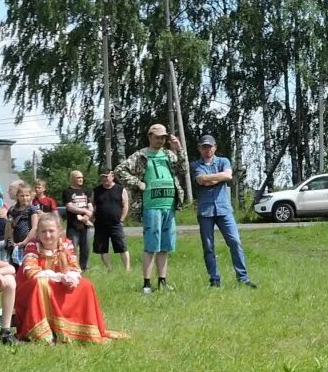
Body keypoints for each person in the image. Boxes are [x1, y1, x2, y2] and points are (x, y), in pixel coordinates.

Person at [17, 211, 120, 343]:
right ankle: (44, 334)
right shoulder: (33, 246)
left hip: (56, 284)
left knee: (85, 285)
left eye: (51, 231)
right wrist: (61, 277)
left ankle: (79, 331)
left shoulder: (66, 244)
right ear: (37, 233)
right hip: (30, 289)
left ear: (59, 231)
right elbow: (31, 271)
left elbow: (74, 266)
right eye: (43, 232)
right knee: (41, 283)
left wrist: (70, 278)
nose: (47, 235)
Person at [118, 124, 187, 294]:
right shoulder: (141, 155)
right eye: (157, 137)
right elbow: (120, 170)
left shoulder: (169, 155)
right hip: (151, 207)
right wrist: (137, 183)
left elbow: (184, 170)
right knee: (151, 246)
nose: (160, 140)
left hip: (169, 206)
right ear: (150, 137)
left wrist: (179, 149)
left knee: (165, 246)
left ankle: (162, 281)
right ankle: (147, 284)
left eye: (163, 137)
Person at [192, 135, 254, 288]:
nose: (207, 150)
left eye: (210, 146)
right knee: (208, 246)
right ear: (200, 148)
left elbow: (228, 175)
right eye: (204, 147)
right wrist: (217, 178)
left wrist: (211, 178)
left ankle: (243, 279)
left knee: (235, 241)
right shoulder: (195, 165)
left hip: (224, 210)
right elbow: (201, 180)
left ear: (215, 147)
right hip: (205, 211)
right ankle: (214, 279)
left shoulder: (223, 161)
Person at [91, 169, 130, 276]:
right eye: (102, 177)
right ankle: (109, 268)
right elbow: (92, 205)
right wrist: (91, 218)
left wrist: (121, 219)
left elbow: (125, 205)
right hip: (100, 224)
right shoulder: (96, 190)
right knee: (102, 248)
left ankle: (127, 269)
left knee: (122, 246)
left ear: (112, 176)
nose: (104, 179)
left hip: (116, 223)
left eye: (106, 177)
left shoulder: (120, 189)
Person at [61, 169, 95, 266]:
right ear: (72, 179)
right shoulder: (67, 191)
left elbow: (90, 205)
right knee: (72, 247)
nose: (81, 179)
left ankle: (84, 268)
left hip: (85, 224)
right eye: (78, 177)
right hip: (73, 225)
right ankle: (73, 267)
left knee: (86, 248)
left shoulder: (85, 190)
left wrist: (88, 215)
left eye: (81, 177)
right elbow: (69, 207)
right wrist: (84, 211)